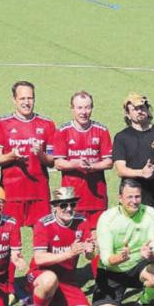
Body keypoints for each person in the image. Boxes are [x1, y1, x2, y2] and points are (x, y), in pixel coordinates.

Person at [0, 81, 56, 300]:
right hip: (12, 192)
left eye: (30, 98)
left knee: (43, 239)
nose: (27, 102)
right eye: (22, 98)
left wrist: (41, 155)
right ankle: (8, 287)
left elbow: (52, 161)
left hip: (39, 192)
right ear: (14, 100)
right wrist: (11, 156)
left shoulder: (46, 124)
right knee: (10, 240)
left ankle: (34, 279)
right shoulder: (2, 123)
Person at [92, 179, 154, 306]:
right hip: (111, 272)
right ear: (120, 198)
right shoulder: (107, 218)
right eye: (129, 197)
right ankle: (112, 302)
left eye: (137, 196)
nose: (134, 201)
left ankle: (143, 303)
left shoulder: (151, 214)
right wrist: (121, 257)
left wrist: (151, 255)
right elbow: (106, 259)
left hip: (138, 266)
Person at [28, 187, 96, 306]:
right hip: (41, 275)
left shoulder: (82, 221)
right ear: (54, 206)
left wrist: (90, 251)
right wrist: (69, 253)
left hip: (67, 280)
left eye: (72, 204)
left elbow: (90, 257)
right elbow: (39, 258)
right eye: (63, 205)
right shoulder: (43, 224)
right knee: (50, 279)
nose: (69, 209)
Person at [112, 92, 154, 235]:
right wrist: (141, 172)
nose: (140, 111)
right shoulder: (121, 137)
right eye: (135, 109)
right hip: (131, 204)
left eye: (142, 107)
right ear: (128, 114)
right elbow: (120, 170)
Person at [52, 91, 113, 222]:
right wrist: (76, 164)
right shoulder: (62, 131)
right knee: (72, 233)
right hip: (70, 196)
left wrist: (92, 166)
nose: (83, 112)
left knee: (96, 233)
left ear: (92, 108)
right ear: (72, 108)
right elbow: (58, 163)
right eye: (79, 108)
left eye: (87, 107)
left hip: (97, 197)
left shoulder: (102, 130)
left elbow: (109, 162)